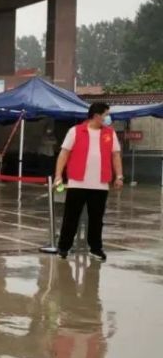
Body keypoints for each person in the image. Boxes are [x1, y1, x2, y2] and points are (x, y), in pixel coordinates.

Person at [54, 103, 122, 261]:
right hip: (78, 182)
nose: (107, 118)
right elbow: (64, 154)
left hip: (100, 183)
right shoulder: (76, 131)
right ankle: (63, 247)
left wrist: (119, 176)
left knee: (97, 219)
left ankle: (96, 248)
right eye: (106, 114)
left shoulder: (110, 133)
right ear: (97, 115)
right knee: (71, 217)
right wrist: (58, 175)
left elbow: (116, 155)